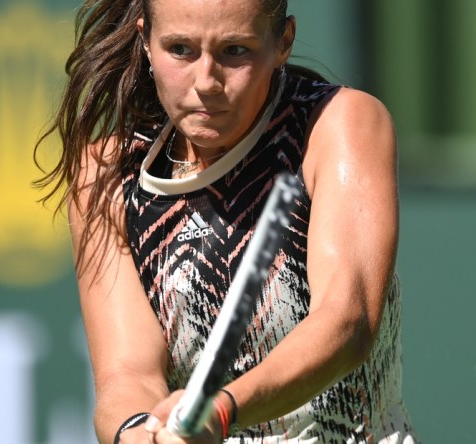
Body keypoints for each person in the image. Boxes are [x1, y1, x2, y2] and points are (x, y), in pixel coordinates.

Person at [35, 0, 419, 442]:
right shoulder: (104, 174)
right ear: (145, 40)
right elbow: (127, 375)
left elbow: (345, 321)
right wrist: (139, 433)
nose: (206, 82)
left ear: (283, 43)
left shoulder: (338, 123)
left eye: (235, 51)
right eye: (180, 49)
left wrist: (217, 410)